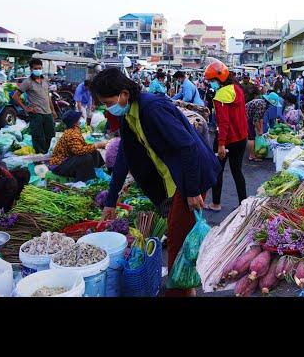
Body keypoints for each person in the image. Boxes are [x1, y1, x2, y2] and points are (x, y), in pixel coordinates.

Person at [91, 68, 221, 297]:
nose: (107, 107)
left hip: (190, 179)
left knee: (178, 246)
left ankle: (180, 291)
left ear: (123, 94)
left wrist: (191, 190)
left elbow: (187, 146)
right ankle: (186, 289)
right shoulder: (130, 114)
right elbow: (124, 157)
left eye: (108, 101)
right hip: (175, 182)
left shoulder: (151, 108)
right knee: (178, 240)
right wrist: (111, 201)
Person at [205, 61, 248, 211]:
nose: (211, 84)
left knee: (217, 171)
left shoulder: (221, 95)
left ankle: (216, 203)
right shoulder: (237, 89)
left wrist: (221, 144)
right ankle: (243, 204)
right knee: (237, 171)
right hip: (241, 138)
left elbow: (223, 123)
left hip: (227, 140)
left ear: (219, 79)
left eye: (212, 81)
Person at [13, 59, 58, 154]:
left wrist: (53, 110)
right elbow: (15, 96)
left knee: (50, 135)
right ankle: (40, 158)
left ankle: (47, 155)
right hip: (36, 114)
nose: (38, 70)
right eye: (35, 68)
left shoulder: (45, 80)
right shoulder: (27, 82)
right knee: (38, 137)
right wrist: (25, 108)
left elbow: (48, 96)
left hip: (48, 113)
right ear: (31, 69)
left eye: (39, 68)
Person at [49, 110, 108, 182]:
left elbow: (82, 148)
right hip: (59, 166)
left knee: (94, 152)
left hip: (68, 161)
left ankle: (98, 171)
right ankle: (86, 180)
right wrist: (97, 145)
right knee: (86, 158)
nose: (81, 120)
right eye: (79, 119)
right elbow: (79, 151)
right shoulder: (72, 134)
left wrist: (95, 146)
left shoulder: (74, 131)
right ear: (75, 123)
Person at [245, 90, 268, 161]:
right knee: (251, 137)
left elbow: (261, 118)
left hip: (250, 116)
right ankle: (251, 156)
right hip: (246, 117)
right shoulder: (262, 105)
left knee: (253, 135)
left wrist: (260, 130)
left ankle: (253, 153)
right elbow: (255, 120)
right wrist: (259, 130)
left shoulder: (263, 104)